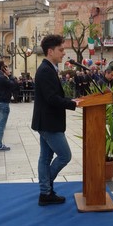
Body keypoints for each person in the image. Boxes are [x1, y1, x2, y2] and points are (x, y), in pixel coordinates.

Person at [31, 34, 81, 206]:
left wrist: (70, 101)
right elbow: (52, 98)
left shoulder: (49, 68)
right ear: (50, 51)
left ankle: (45, 193)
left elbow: (52, 96)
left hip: (47, 121)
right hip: (48, 123)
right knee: (65, 155)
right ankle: (45, 186)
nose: (63, 53)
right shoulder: (45, 70)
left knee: (45, 157)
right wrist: (72, 104)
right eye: (61, 50)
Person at [0, 61, 14, 151]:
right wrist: (10, 75)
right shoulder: (2, 77)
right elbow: (13, 85)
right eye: (6, 67)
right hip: (3, 103)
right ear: (2, 68)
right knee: (1, 125)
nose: (7, 68)